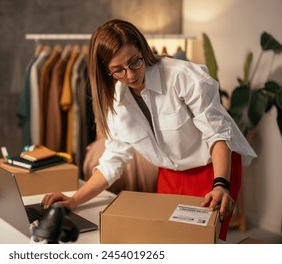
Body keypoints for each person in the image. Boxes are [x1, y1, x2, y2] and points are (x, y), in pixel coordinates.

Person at [41, 19, 257, 241]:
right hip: (169, 173)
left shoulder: (184, 77)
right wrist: (74, 199)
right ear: (107, 72)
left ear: (143, 50)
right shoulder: (117, 100)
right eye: (118, 70)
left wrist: (221, 184)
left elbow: (218, 134)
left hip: (211, 168)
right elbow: (112, 161)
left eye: (135, 62)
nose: (130, 75)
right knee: (167, 239)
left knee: (200, 243)